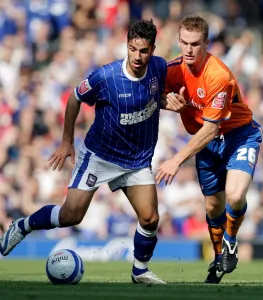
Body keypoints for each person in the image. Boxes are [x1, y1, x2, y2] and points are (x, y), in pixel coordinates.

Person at [0, 19, 185, 284]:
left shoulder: (158, 68)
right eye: (133, 49)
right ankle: (22, 226)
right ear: (127, 45)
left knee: (150, 217)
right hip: (99, 155)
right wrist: (66, 142)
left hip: (136, 160)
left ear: (153, 50)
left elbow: (152, 97)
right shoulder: (106, 76)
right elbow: (75, 97)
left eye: (143, 51)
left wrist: (169, 103)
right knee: (71, 215)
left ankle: (140, 270)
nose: (137, 56)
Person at [156, 15, 263, 284]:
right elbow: (150, 95)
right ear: (178, 41)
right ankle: (218, 259)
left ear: (206, 43)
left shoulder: (218, 75)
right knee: (213, 207)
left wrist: (176, 160)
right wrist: (168, 103)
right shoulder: (172, 70)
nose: (189, 50)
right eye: (184, 43)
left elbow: (211, 128)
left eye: (195, 44)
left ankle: (230, 242)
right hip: (207, 145)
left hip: (239, 135)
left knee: (235, 196)